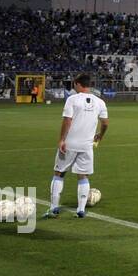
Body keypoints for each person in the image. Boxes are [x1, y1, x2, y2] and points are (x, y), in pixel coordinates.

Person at [44, 73, 109, 219]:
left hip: (70, 143)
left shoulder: (72, 99)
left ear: (78, 84)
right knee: (83, 176)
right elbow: (105, 123)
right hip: (87, 145)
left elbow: (67, 120)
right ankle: (80, 210)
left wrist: (61, 140)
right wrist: (100, 135)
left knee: (59, 173)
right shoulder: (100, 102)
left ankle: (54, 208)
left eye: (74, 84)